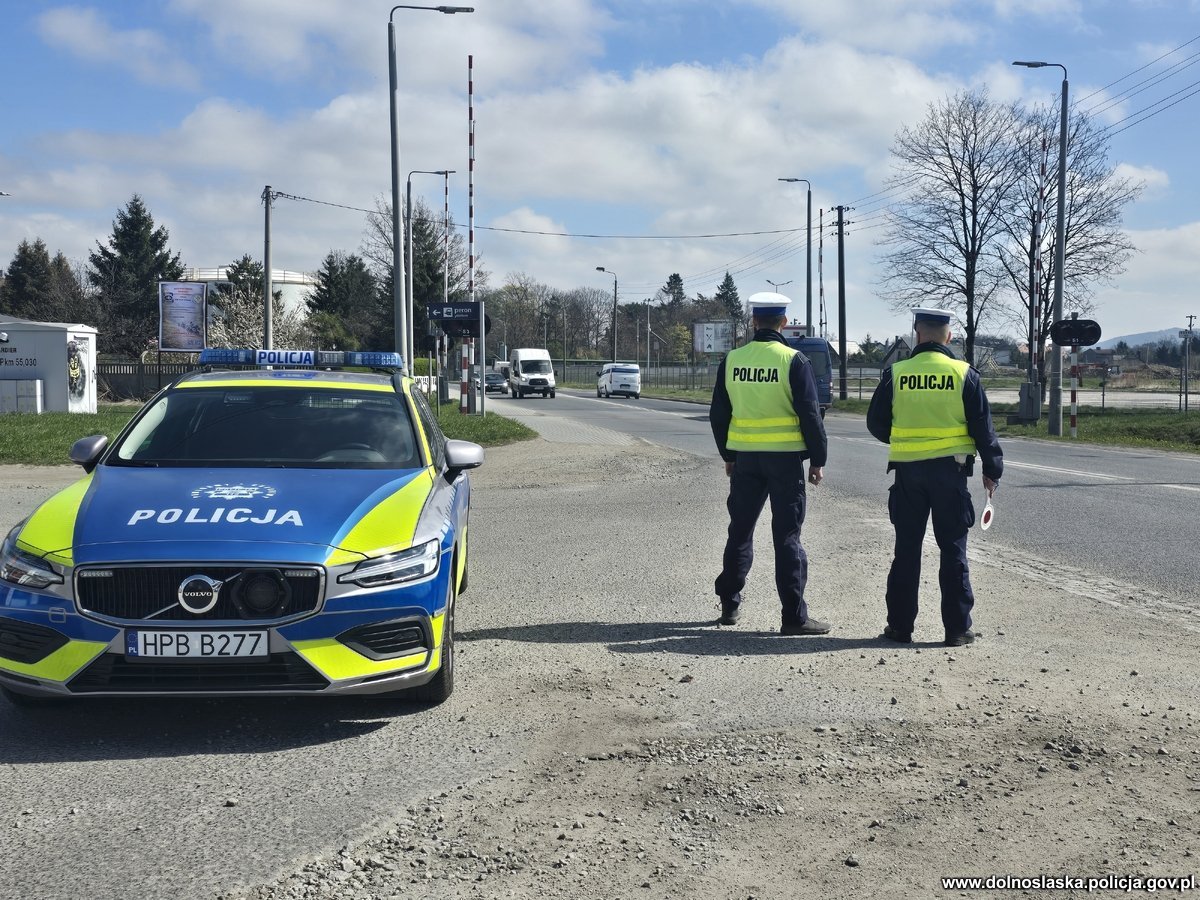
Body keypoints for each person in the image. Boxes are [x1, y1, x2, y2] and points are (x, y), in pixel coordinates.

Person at [866, 308, 1003, 647]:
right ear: (949, 336)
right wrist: (992, 469)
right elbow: (983, 429)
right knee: (952, 550)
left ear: (917, 333)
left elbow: (876, 423)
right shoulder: (963, 374)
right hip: (950, 474)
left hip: (908, 475)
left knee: (907, 551)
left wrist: (903, 438)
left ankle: (900, 627)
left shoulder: (896, 373)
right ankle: (956, 629)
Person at [709, 292, 831, 635]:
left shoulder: (732, 360)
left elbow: (719, 415)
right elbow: (811, 415)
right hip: (786, 461)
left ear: (753, 322)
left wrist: (729, 455)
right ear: (784, 323)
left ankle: (730, 605)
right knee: (787, 536)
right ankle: (793, 616)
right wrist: (817, 460)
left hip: (746, 460)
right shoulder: (794, 360)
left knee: (741, 531)